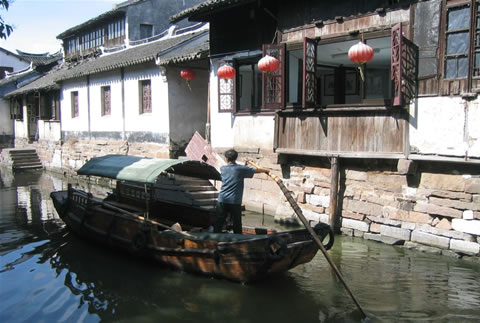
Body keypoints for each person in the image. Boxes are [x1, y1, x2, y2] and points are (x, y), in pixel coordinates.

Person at [214, 149, 269, 234]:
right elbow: (255, 170)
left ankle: (215, 237)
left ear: (226, 159)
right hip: (235, 201)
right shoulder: (241, 169)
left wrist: (245, 165)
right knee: (237, 223)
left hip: (222, 199)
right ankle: (239, 238)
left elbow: (236, 171)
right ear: (236, 158)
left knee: (219, 221)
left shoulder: (223, 168)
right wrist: (265, 170)